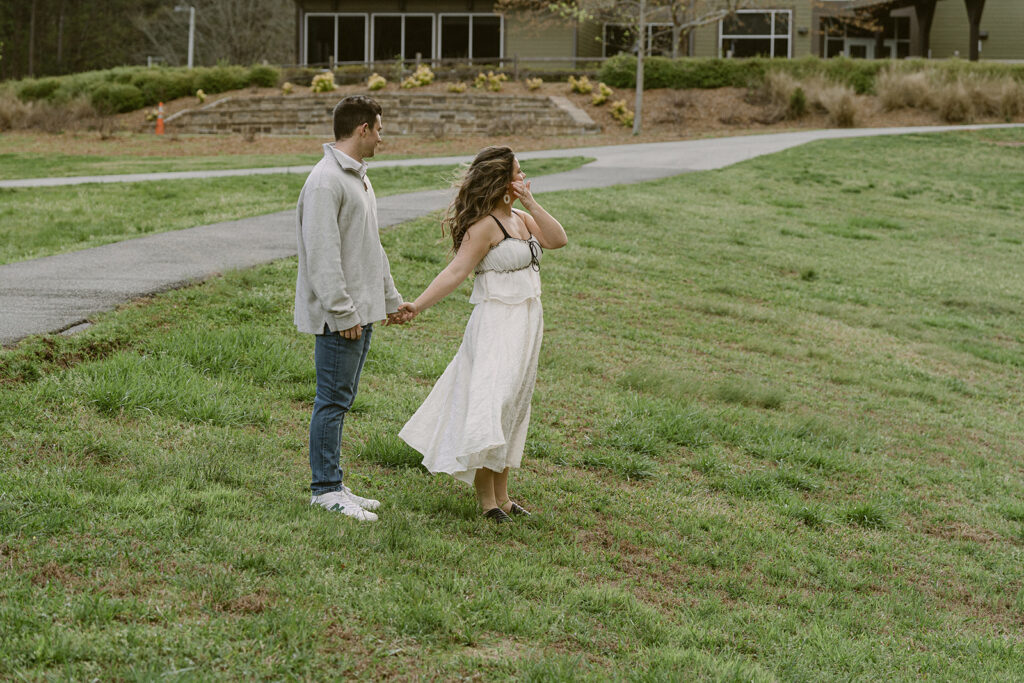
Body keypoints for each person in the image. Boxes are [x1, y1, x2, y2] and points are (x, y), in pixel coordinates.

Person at [397, 146, 568, 523]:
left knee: (514, 405)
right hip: (496, 323)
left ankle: (504, 497)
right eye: (518, 173)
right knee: (493, 402)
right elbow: (456, 272)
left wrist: (532, 202)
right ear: (500, 181)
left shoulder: (522, 218)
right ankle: (487, 502)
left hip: (527, 321)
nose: (524, 178)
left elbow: (558, 240)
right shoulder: (485, 226)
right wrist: (417, 306)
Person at [294, 95, 410, 521]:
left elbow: (370, 248)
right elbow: (323, 256)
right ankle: (324, 489)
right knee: (331, 400)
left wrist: (391, 301)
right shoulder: (326, 181)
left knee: (342, 398)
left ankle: (334, 480)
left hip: (362, 313)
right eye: (379, 129)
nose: (382, 137)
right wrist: (343, 314)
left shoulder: (358, 178)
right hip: (340, 318)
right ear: (363, 129)